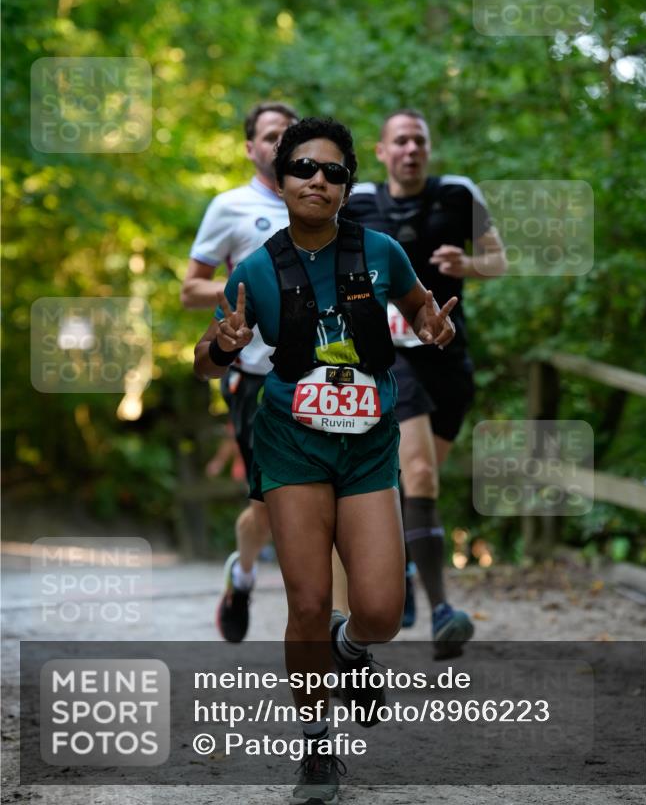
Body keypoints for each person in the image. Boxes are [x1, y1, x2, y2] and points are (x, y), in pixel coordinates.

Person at [194, 117, 457, 802]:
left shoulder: (380, 252)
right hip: (291, 442)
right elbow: (203, 363)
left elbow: (420, 309)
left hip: (368, 443)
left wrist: (433, 325)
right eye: (304, 168)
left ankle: (350, 649)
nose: (318, 180)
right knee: (308, 603)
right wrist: (223, 346)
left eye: (333, 171)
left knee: (381, 612)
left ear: (346, 185)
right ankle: (316, 749)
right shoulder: (256, 269)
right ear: (281, 180)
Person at [343, 109, 507, 658]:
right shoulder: (357, 203)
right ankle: (442, 612)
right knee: (418, 474)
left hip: (448, 356)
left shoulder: (458, 193)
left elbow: (499, 261)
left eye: (419, 140)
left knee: (416, 482)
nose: (411, 149)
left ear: (429, 149)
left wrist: (468, 264)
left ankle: (407, 564)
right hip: (390, 356)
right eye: (400, 141)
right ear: (382, 151)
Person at [181, 101, 297, 641]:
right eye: (271, 135)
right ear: (250, 148)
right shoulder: (230, 207)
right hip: (252, 373)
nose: (281, 143)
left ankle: (331, 627)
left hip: (320, 374)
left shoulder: (325, 200)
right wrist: (250, 292)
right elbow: (190, 290)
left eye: (289, 134)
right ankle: (244, 575)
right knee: (267, 505)